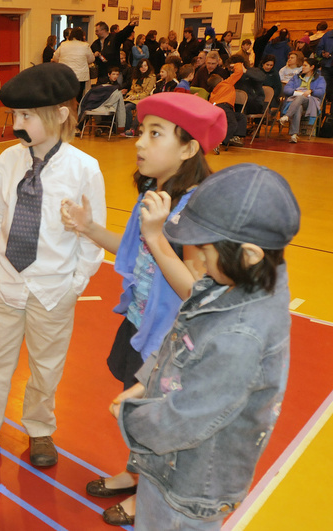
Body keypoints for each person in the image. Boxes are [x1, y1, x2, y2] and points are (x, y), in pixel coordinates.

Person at [61, 91, 226, 527]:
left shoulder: (197, 211)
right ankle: (135, 473)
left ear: (189, 148)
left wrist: (157, 236)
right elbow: (135, 254)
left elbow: (196, 291)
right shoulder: (154, 193)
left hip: (173, 343)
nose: (139, 142)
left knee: (157, 425)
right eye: (143, 131)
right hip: (139, 326)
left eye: (156, 134)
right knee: (137, 416)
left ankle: (147, 498)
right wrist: (90, 228)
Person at [115, 163, 300, 531]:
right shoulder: (241, 280)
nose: (197, 256)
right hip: (170, 466)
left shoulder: (241, 336)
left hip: (189, 489)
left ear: (248, 255)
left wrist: (130, 418)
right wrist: (147, 380)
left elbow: (187, 418)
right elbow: (182, 338)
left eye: (207, 248)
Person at [0, 62, 106, 467]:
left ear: (59, 114)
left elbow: (93, 234)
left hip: (53, 287)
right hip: (6, 279)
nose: (17, 124)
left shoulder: (83, 168)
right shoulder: (7, 161)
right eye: (15, 115)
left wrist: (76, 281)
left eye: (26, 116)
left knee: (46, 363)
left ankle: (39, 428)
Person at [279, 57, 327, 143]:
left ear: (312, 67)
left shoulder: (320, 79)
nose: (303, 67)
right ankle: (294, 135)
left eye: (305, 65)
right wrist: (295, 91)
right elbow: (286, 89)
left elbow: (321, 92)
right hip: (296, 101)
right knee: (299, 107)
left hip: (310, 101)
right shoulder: (296, 77)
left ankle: (287, 116)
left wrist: (311, 91)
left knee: (301, 98)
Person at [208, 62, 247, 149]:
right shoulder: (226, 83)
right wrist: (236, 65)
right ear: (222, 79)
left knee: (241, 117)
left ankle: (234, 137)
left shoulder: (214, 91)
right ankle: (220, 141)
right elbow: (239, 72)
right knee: (233, 123)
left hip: (215, 108)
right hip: (224, 106)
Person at [53, 26, 95, 99]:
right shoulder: (85, 45)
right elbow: (91, 59)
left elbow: (55, 57)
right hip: (80, 76)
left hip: (65, 74)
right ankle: (76, 109)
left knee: (66, 96)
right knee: (78, 97)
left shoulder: (63, 44)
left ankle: (66, 109)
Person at [123, 59, 157, 136]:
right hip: (134, 99)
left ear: (148, 66)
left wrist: (135, 96)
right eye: (141, 66)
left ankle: (133, 129)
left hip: (145, 99)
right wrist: (129, 95)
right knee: (126, 107)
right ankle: (127, 129)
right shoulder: (135, 77)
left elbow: (146, 92)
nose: (143, 68)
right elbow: (132, 89)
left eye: (145, 66)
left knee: (140, 109)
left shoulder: (152, 77)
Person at [319, 25, 333, 101]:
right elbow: (318, 49)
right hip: (327, 66)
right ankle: (322, 111)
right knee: (323, 88)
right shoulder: (327, 35)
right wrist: (323, 53)